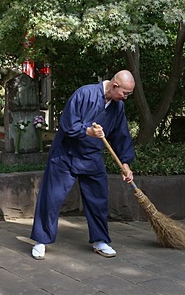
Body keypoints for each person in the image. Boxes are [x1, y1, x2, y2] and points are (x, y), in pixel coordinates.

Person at [30, 70, 136, 260]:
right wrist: (87, 131)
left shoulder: (117, 106)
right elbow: (68, 124)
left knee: (98, 199)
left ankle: (100, 240)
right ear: (115, 86)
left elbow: (121, 135)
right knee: (51, 198)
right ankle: (41, 240)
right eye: (125, 93)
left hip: (91, 157)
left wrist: (126, 163)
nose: (126, 98)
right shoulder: (85, 93)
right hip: (66, 154)